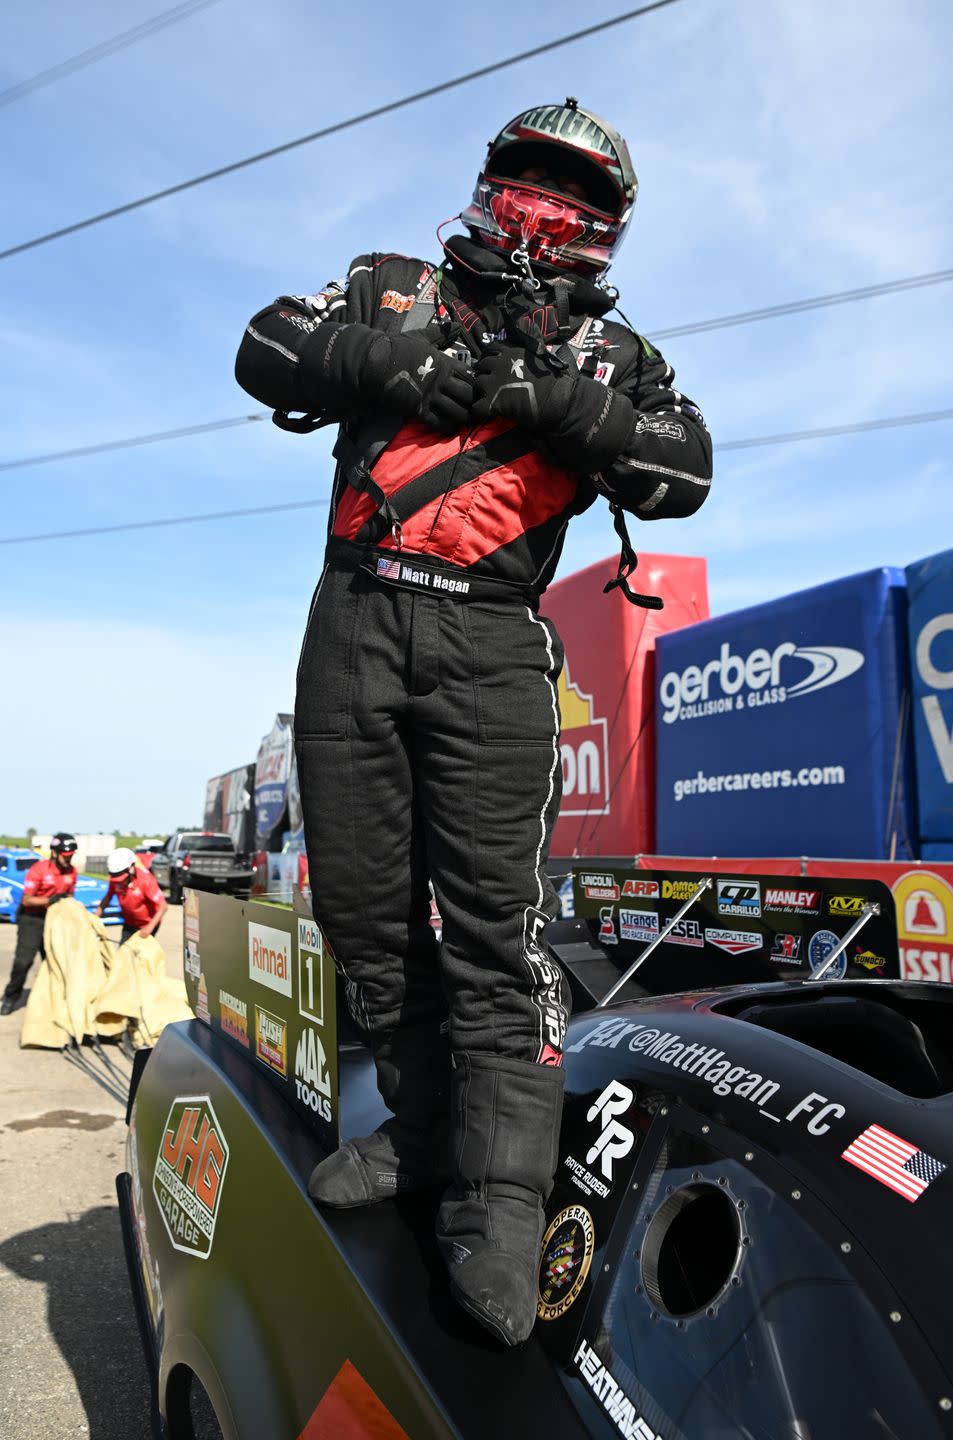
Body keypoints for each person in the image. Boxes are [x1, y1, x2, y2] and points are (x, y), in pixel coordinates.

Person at [235, 98, 711, 1345]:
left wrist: (560, 405)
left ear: (607, 228)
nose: (542, 209)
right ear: (490, 182)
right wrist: (405, 370)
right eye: (527, 180)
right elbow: (263, 344)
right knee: (364, 912)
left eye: (572, 195)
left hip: (497, 641)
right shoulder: (392, 287)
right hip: (353, 617)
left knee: (494, 934)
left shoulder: (618, 358)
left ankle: (499, 1206)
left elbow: (688, 471)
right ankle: (424, 1133)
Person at [1, 832, 78, 1016]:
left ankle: (53, 1000)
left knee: (54, 963)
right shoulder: (38, 870)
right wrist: (49, 900)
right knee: (23, 962)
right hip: (32, 919)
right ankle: (11, 997)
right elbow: (27, 900)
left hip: (54, 921)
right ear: (54, 852)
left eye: (71, 856)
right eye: (66, 856)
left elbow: (69, 897)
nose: (69, 859)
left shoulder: (72, 872)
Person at [97, 848, 167, 945]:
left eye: (122, 879)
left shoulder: (146, 880)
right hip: (130, 923)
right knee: (124, 951)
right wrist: (96, 916)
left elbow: (163, 906)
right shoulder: (115, 880)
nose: (120, 882)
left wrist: (149, 928)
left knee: (141, 954)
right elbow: (108, 897)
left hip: (147, 924)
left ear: (131, 868)